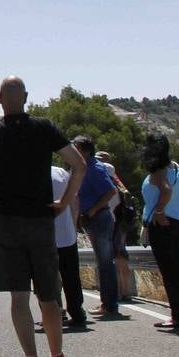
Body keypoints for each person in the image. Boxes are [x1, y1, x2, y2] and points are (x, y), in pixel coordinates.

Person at [0, 76, 86, 357]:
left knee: (19, 296)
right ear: (26, 97)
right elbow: (79, 165)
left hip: (7, 222)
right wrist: (63, 203)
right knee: (49, 295)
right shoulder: (45, 128)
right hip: (41, 221)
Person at [141, 133, 179, 330]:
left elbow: (166, 191)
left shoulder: (158, 172)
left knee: (168, 271)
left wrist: (159, 211)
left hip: (162, 224)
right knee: (176, 270)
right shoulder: (178, 170)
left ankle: (178, 314)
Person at [73, 136, 121, 318]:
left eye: (76, 149)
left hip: (99, 220)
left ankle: (109, 305)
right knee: (103, 263)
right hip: (93, 220)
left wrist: (92, 211)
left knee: (105, 263)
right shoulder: (86, 168)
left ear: (84, 151)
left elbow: (110, 191)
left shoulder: (94, 168)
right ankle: (107, 303)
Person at [96, 151, 138, 299]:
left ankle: (117, 293)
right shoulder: (118, 181)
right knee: (121, 255)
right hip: (121, 222)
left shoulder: (103, 175)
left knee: (109, 258)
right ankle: (126, 291)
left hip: (109, 222)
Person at [50, 165, 87, 328]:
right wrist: (73, 224)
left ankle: (54, 312)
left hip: (42, 236)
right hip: (66, 233)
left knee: (46, 278)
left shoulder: (28, 172)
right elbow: (74, 200)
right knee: (71, 276)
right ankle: (77, 312)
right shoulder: (61, 172)